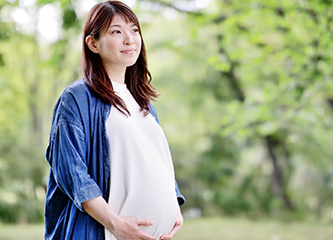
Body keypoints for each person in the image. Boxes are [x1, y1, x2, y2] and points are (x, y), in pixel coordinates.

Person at [44, 1, 185, 239]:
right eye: (116, 31)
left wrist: (173, 203)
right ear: (93, 43)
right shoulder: (77, 98)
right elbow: (72, 172)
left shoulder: (142, 100)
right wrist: (116, 224)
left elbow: (155, 158)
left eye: (134, 30)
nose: (129, 39)